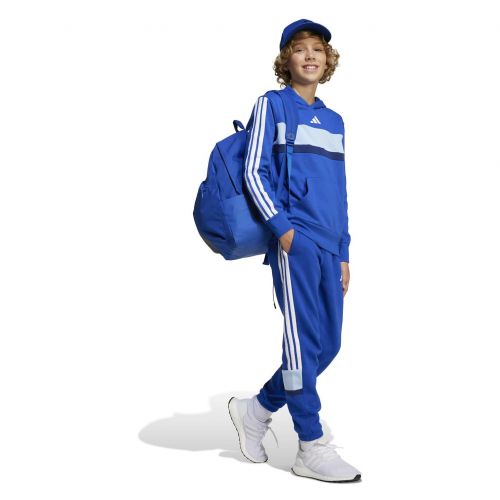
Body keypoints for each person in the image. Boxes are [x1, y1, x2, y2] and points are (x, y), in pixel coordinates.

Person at [228, 19, 362, 483]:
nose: (309, 56)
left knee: (327, 345)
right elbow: (253, 171)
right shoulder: (272, 104)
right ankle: (309, 444)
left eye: (318, 50)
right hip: (296, 240)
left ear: (328, 61)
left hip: (330, 245)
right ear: (286, 60)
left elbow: (339, 190)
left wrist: (344, 251)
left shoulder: (335, 121)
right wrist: (283, 232)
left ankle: (257, 410)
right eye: (300, 49)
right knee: (302, 344)